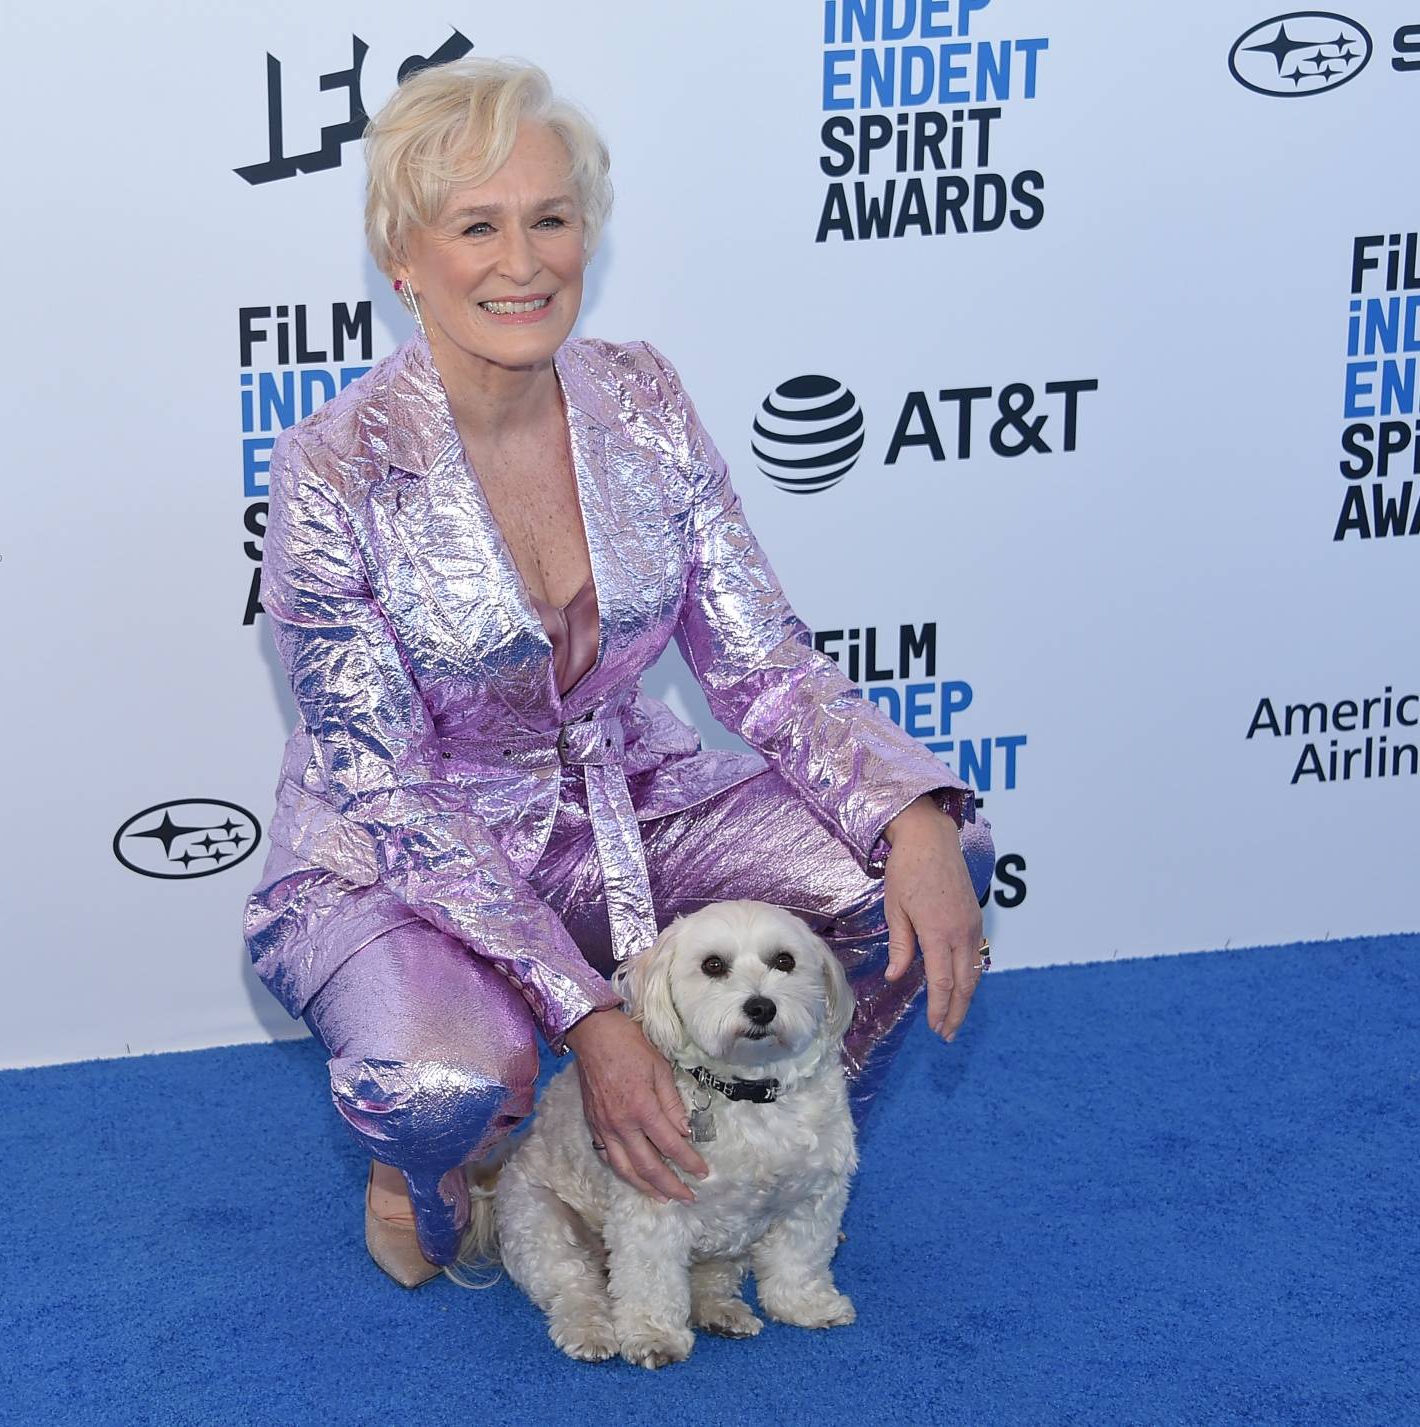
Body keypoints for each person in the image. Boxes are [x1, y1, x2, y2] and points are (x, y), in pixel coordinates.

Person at [242, 56, 994, 1289]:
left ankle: (737, 1141)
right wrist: (590, 1018)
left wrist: (908, 807)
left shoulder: (641, 395)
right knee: (440, 1085)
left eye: (549, 218)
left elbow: (762, 660)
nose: (523, 261)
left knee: (920, 862)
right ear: (404, 260)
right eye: (476, 226)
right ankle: (430, 1162)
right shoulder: (332, 471)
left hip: (619, 811)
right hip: (403, 852)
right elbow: (389, 788)